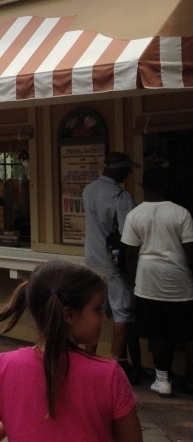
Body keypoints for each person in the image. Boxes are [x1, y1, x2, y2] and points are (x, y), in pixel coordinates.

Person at [0, 261, 144, 442]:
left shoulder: (5, 367)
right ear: (68, 314)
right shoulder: (108, 374)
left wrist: (13, 420)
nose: (104, 318)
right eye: (98, 309)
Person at [122, 167, 193, 396]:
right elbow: (190, 250)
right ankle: (190, 378)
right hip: (179, 279)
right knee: (187, 332)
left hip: (148, 279)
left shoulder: (134, 215)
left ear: (143, 186)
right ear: (168, 186)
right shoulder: (182, 213)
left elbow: (130, 255)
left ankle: (162, 380)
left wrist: (135, 284)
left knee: (157, 333)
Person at [83, 152, 140, 383]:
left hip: (92, 261)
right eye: (126, 169)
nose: (128, 173)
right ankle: (115, 366)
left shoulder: (88, 190)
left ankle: (88, 361)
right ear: (115, 170)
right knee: (123, 314)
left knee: (93, 310)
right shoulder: (121, 197)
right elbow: (130, 236)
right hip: (115, 265)